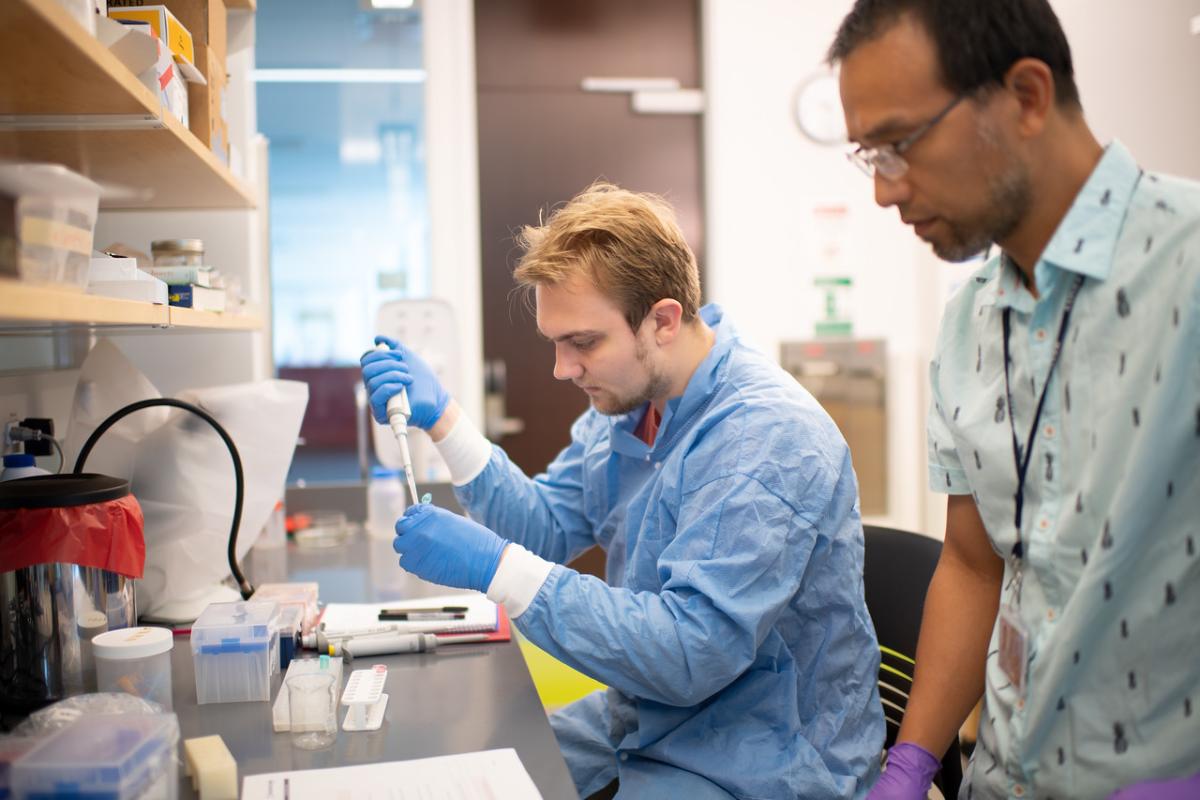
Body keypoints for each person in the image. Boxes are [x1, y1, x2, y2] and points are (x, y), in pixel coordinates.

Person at [361, 183, 884, 799]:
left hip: (760, 753)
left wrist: (496, 567)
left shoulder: (763, 436)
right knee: (468, 779)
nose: (562, 368)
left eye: (583, 343)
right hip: (648, 711)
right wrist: (446, 420)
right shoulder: (634, 407)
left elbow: (690, 652)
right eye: (555, 342)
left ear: (662, 321)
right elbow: (542, 528)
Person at [827, 1, 1200, 798]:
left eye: (900, 144)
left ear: (1026, 97)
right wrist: (911, 762)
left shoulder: (1188, 269)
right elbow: (973, 565)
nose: (884, 191)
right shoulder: (969, 321)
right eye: (870, 157)